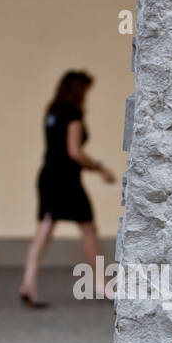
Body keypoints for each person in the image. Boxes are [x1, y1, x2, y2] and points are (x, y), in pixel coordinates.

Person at [18, 70, 115, 307]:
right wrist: (99, 168)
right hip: (66, 180)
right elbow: (74, 152)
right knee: (89, 229)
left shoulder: (52, 112)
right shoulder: (73, 114)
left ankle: (28, 282)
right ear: (78, 91)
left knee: (45, 228)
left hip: (47, 176)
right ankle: (102, 284)